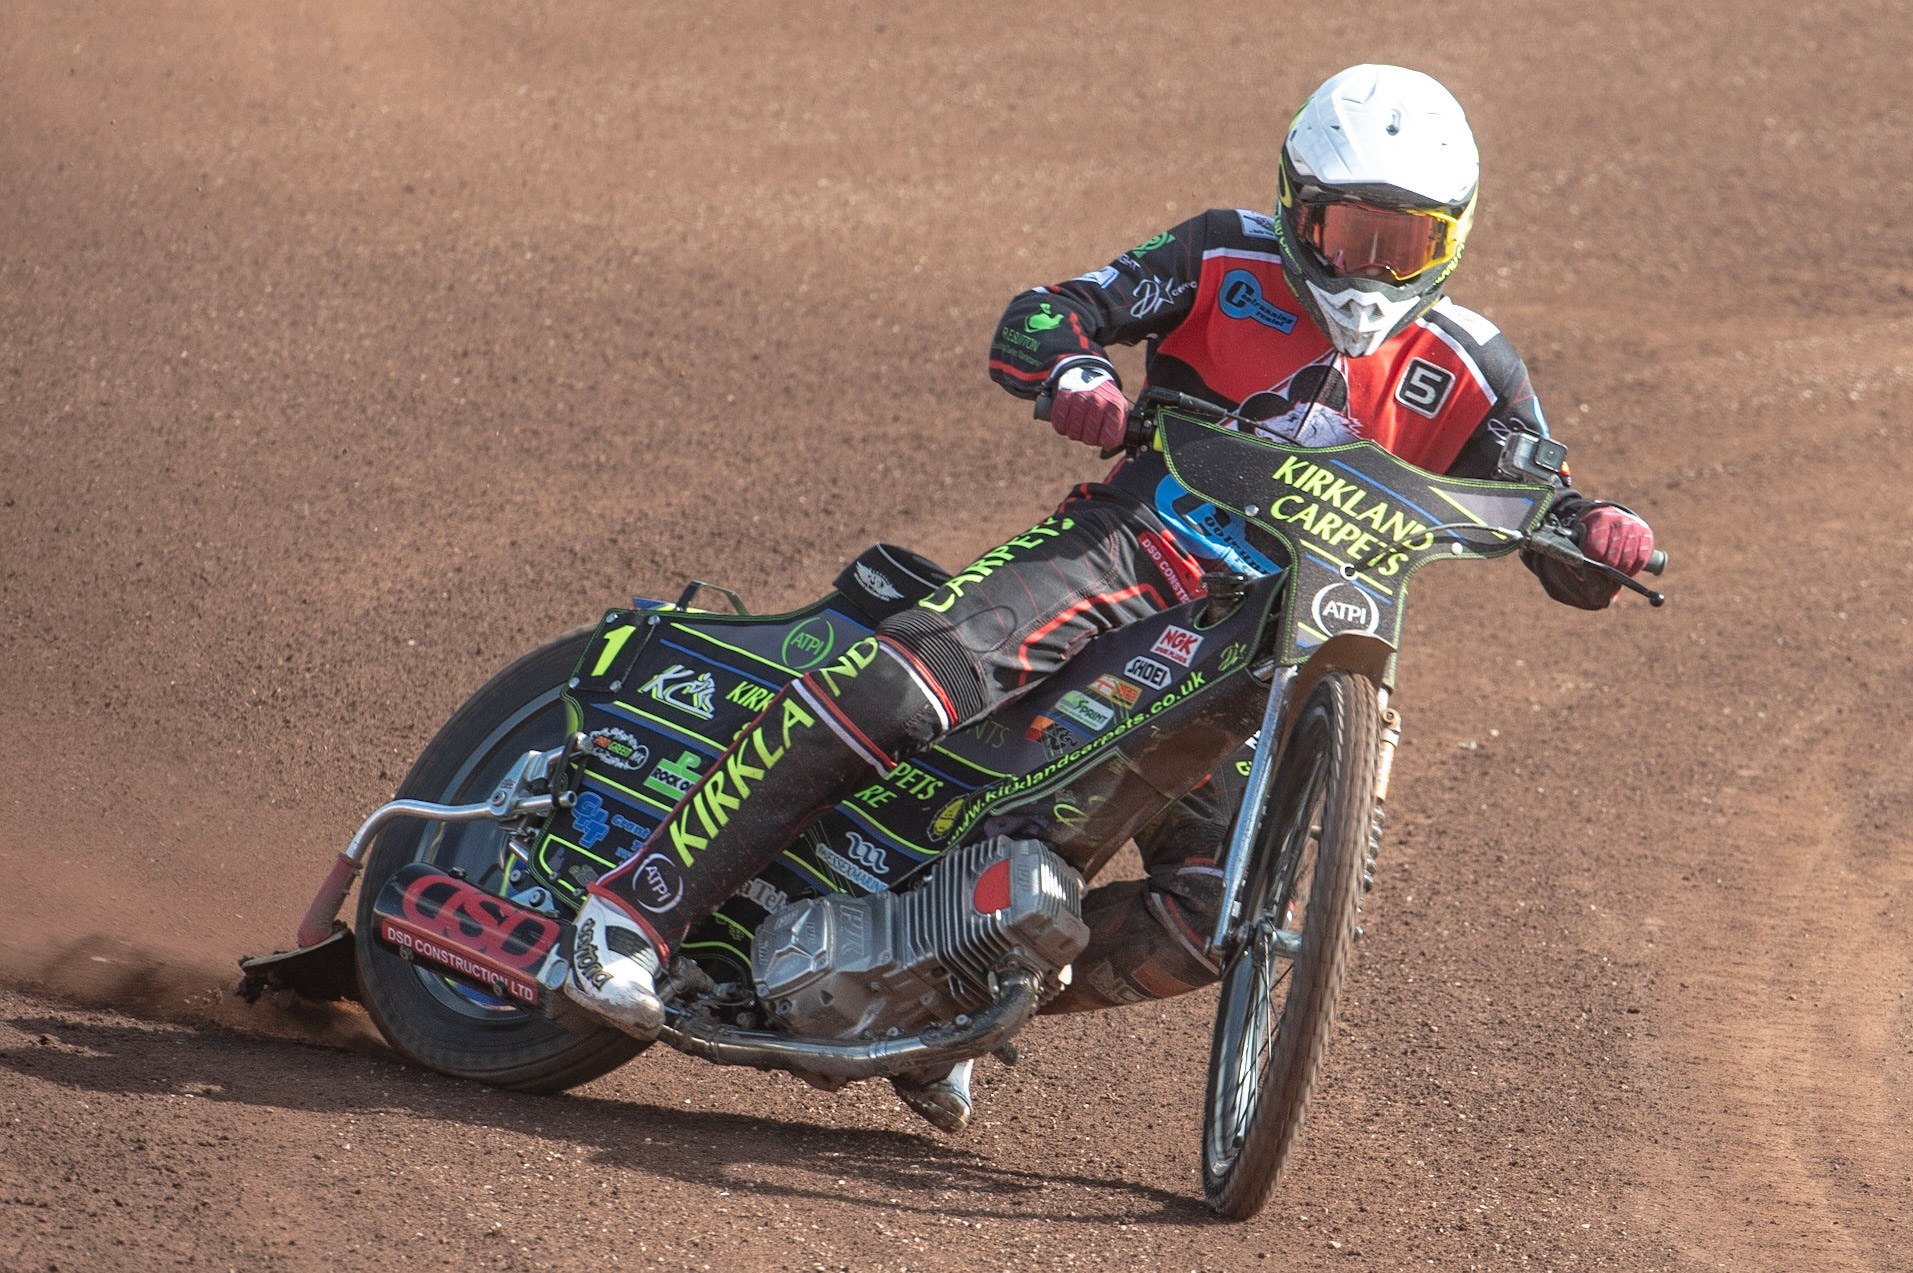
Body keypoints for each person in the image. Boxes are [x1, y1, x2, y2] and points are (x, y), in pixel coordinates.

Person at [562, 64, 1655, 1129]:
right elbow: (1048, 311)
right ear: (1294, 206)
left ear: (1449, 239)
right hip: (1129, 545)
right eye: (1343, 232)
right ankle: (632, 909)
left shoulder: (1471, 363)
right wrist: (1075, 372)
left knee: (1206, 919)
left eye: (1401, 240)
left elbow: (1543, 506)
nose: (1367, 264)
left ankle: (944, 1003)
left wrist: (1596, 531)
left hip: (1270, 646)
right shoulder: (1216, 253)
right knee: (906, 685)